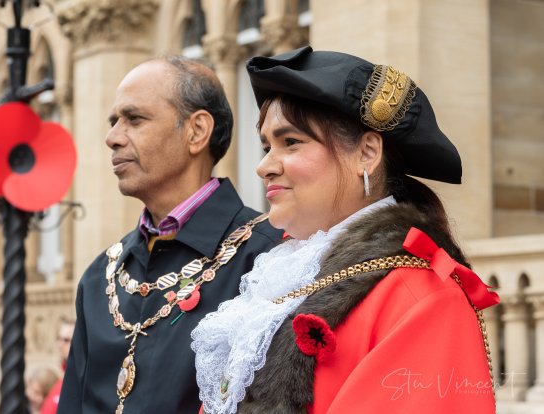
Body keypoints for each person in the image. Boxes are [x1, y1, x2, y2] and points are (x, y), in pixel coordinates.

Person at [191, 46, 500, 414]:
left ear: (367, 153)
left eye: (291, 142)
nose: (264, 167)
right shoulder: (279, 283)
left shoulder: (422, 298)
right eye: (265, 146)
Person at [57, 56, 283, 414]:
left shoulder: (271, 258)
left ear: (196, 131)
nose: (112, 138)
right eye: (114, 121)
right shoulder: (101, 274)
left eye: (134, 119)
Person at [40, 319, 75, 414]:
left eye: (67, 340)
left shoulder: (81, 382)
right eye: (59, 339)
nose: (60, 344)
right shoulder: (59, 382)